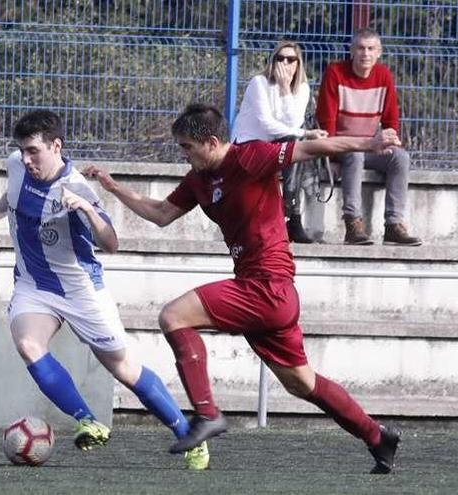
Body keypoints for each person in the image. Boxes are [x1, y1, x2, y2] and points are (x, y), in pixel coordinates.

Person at [83, 103, 401, 474]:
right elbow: (161, 214)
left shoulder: (251, 157)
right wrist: (112, 187)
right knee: (302, 383)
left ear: (212, 142)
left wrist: (371, 141)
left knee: (173, 316)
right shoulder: (198, 180)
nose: (183, 154)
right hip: (259, 291)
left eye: (187, 146)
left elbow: (312, 148)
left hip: (268, 286)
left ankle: (207, 415)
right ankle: (378, 437)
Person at [0, 110, 210, 470]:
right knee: (29, 344)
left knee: (124, 368)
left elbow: (111, 243)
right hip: (33, 285)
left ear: (56, 146)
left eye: (34, 152)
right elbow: (11, 196)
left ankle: (188, 436)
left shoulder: (76, 188)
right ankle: (87, 419)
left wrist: (87, 211)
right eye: (23, 151)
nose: (27, 159)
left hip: (80, 291)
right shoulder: (16, 164)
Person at [316, 28, 422, 246]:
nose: (365, 54)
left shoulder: (384, 76)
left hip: (370, 145)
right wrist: (332, 159)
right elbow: (327, 121)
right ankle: (353, 224)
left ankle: (394, 225)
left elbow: (391, 120)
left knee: (400, 157)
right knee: (354, 155)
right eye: (361, 48)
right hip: (342, 146)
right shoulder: (335, 73)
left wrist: (389, 141)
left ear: (379, 52)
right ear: (352, 51)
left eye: (371, 49)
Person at [231, 39, 328, 244]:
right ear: (272, 61)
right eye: (280, 58)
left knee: (298, 144)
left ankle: (292, 215)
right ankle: (292, 216)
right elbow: (267, 125)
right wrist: (305, 133)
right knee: (298, 140)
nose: (285, 63)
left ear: (298, 64)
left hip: (278, 146)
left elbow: (293, 123)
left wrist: (285, 90)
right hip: (249, 144)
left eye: (290, 59)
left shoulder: (302, 88)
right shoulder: (259, 83)